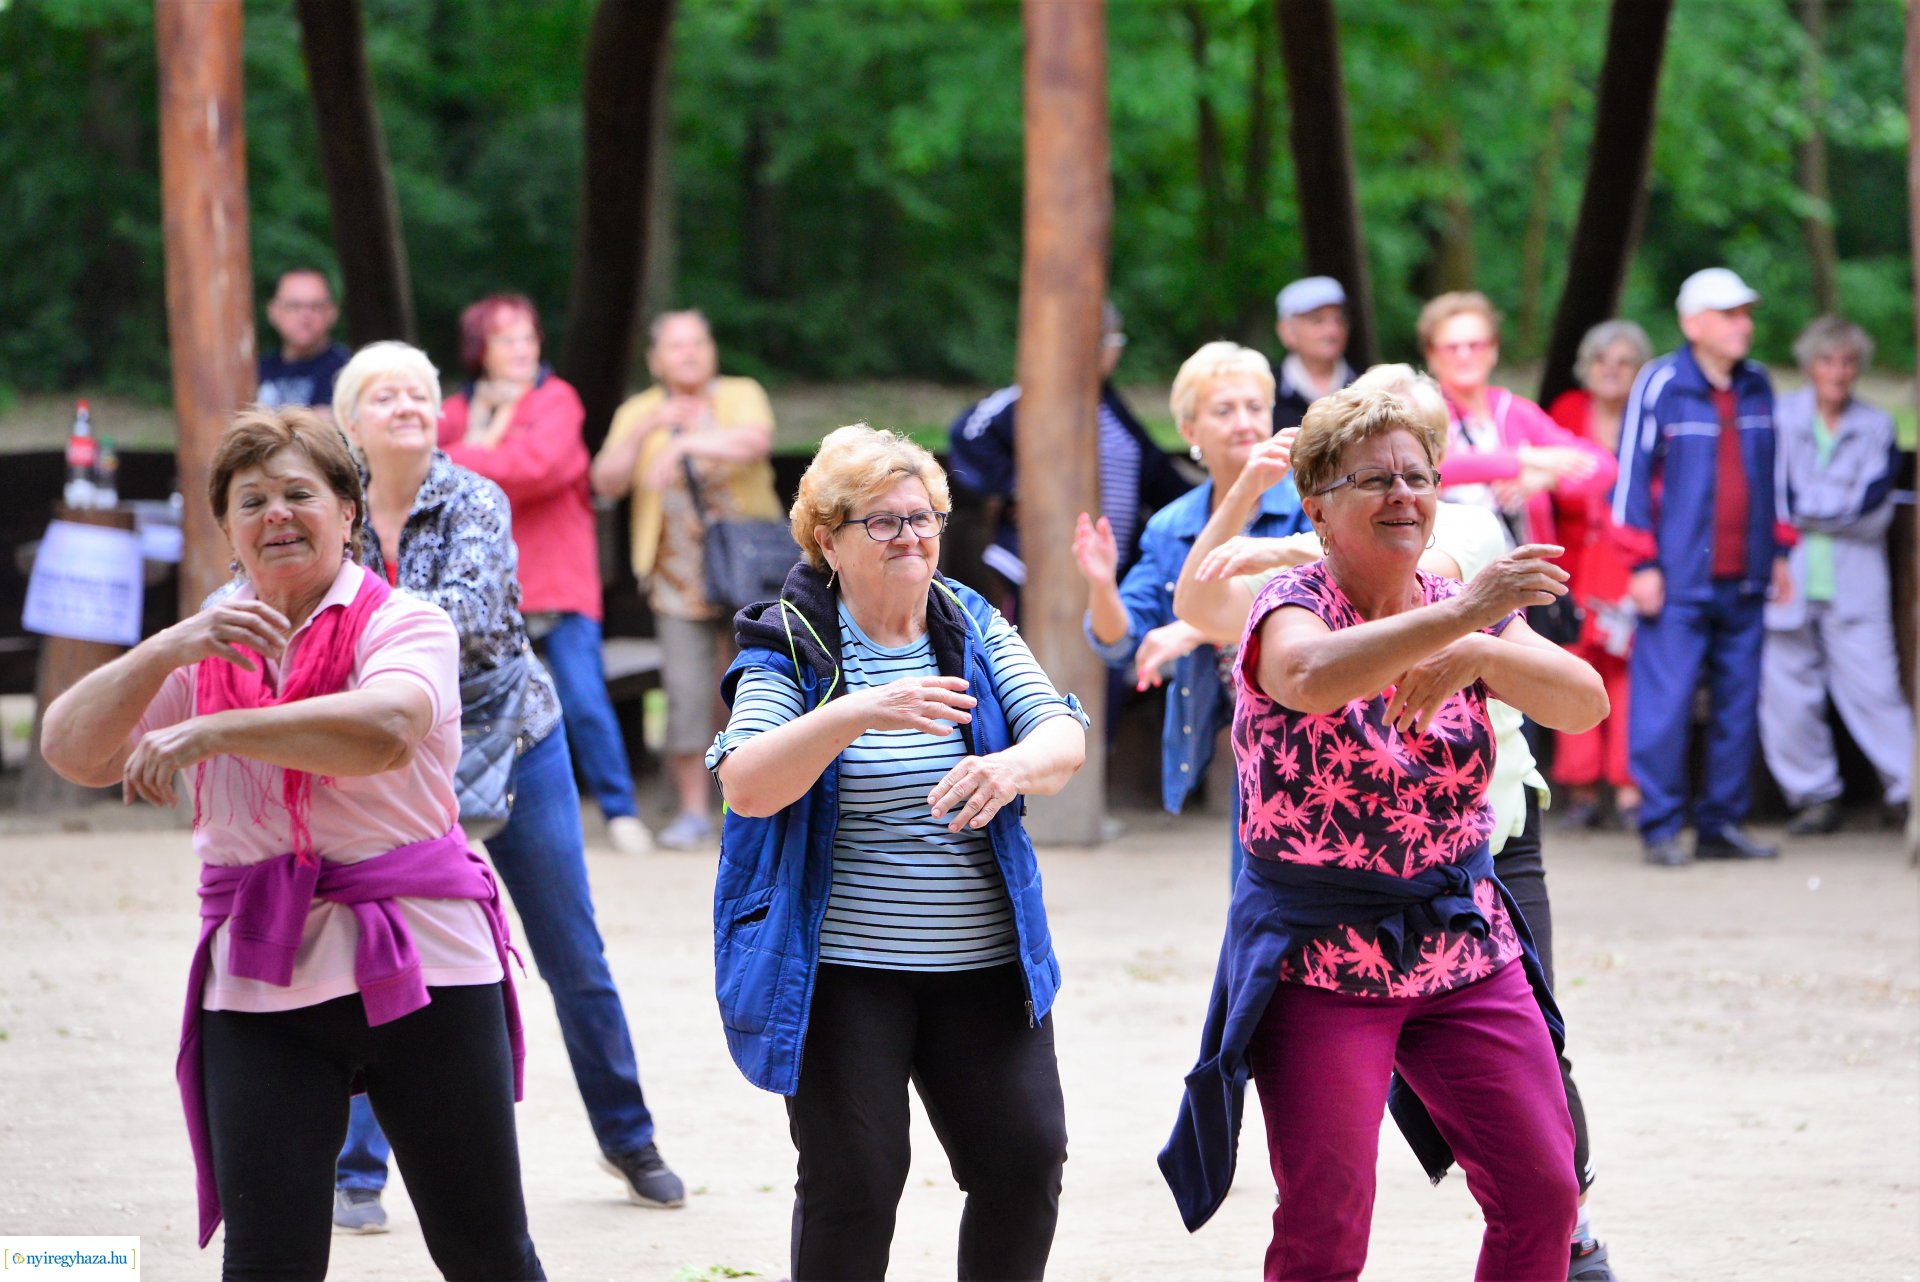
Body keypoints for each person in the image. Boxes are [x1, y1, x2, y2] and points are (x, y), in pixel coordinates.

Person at [39, 407, 544, 1280]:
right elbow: (71, 750)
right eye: (251, 500)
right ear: (227, 529)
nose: (276, 513)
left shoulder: (407, 622)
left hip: (426, 966)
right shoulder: (206, 644)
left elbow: (384, 728)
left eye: (299, 493)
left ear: (348, 512)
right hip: (261, 980)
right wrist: (166, 647)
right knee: (268, 1259)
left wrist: (217, 732)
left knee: (485, 1249)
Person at [1173, 365, 1621, 1281]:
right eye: (1375, 479)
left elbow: (1584, 706)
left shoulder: (1450, 611)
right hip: (1321, 956)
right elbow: (1306, 678)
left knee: (1543, 1190)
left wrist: (1475, 645)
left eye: (1418, 477)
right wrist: (1459, 617)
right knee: (1328, 1225)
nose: (1404, 496)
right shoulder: (1290, 604)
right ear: (1318, 507)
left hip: (1461, 943)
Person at [707, 425, 1087, 1281]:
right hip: (843, 971)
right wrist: (856, 711)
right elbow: (749, 785)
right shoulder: (789, 644)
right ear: (827, 539)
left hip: (983, 963)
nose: (910, 536)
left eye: (923, 517)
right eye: (881, 522)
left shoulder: (970, 620)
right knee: (856, 1184)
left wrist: (1011, 764)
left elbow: (1061, 734)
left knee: (1026, 1161)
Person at [333, 342, 683, 1229]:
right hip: (393, 757)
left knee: (570, 948)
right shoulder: (329, 510)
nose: (409, 404)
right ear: (352, 418)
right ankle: (357, 1170)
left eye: (420, 390)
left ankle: (629, 1135)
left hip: (512, 741)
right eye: (386, 394)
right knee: (388, 948)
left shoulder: (475, 498)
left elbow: (472, 619)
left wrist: (346, 637)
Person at [1072, 342, 1310, 879]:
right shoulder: (1171, 525)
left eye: (1254, 407)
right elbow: (1121, 642)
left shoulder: (1310, 503)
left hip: (1322, 727)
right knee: (1252, 906)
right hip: (1254, 748)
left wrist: (1195, 630)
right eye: (1223, 411)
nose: (1244, 422)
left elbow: (1331, 599)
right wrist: (1102, 585)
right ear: (1189, 432)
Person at [439, 294, 651, 855]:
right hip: (483, 587)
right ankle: (461, 807)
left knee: (583, 698)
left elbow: (535, 468)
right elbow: (426, 473)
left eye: (529, 337)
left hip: (558, 576)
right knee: (463, 698)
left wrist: (476, 448)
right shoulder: (456, 408)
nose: (521, 349)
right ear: (479, 348)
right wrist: (489, 436)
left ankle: (620, 810)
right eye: (507, 338)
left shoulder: (558, 399)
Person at [1614, 268, 1794, 867]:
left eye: (1746, 313)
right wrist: (1640, 561)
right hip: (1676, 576)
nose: (1744, 324)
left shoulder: (1759, 384)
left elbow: (1776, 475)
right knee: (1664, 705)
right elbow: (1630, 478)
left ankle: (1720, 824)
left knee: (1738, 706)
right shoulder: (1661, 381)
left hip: (1746, 574)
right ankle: (1661, 826)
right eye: (1730, 314)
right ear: (1694, 324)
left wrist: (1783, 550)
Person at [591, 310, 781, 850]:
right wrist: (649, 431)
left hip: (750, 566)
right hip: (675, 575)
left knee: (760, 679)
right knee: (686, 689)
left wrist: (683, 445)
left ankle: (762, 802)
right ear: (655, 360)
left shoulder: (740, 393)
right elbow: (606, 479)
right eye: (677, 346)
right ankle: (696, 810)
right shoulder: (640, 410)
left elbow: (754, 442)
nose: (690, 353)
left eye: (698, 342)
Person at [1761, 315, 1913, 834]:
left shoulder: (1876, 425)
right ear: (1808, 365)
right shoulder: (1779, 416)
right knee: (1786, 695)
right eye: (1827, 360)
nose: (1838, 372)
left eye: (1848, 362)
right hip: (1789, 574)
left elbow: (1870, 509)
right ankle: (1813, 798)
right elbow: (1774, 499)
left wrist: (1805, 509)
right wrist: (1822, 507)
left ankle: (1909, 791)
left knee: (1877, 690)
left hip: (1855, 579)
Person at [948, 301, 1192, 602]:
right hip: (1036, 567)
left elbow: (1157, 476)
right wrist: (1019, 487)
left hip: (1114, 574)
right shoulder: (1030, 398)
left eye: (1109, 341)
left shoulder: (1113, 411)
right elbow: (969, 433)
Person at [1547, 321, 1653, 831]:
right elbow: (1547, 485)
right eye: (1600, 360)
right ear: (1585, 369)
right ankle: (1582, 789)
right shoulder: (1565, 412)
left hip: (1628, 564)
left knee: (1628, 674)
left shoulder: (1649, 416)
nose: (1611, 370)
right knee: (1571, 669)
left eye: (1624, 360)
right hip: (1571, 566)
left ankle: (1631, 789)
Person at [1420, 290, 1617, 548]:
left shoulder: (1516, 412)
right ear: (1432, 355)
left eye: (1476, 344)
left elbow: (1604, 467)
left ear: (1493, 349)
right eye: (1452, 347)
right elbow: (1430, 470)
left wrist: (1545, 479)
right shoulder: (1421, 409)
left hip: (1525, 576)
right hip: (1448, 577)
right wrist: (1523, 459)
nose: (1464, 355)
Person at [257, 268, 351, 421]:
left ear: (332, 312)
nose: (305, 315)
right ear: (273, 311)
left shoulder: (347, 369)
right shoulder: (258, 369)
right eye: (294, 306)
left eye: (315, 306)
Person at [1272, 275, 1356, 428]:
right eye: (1317, 321)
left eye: (1339, 320)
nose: (1332, 331)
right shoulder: (1267, 393)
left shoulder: (1365, 385)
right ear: (1287, 331)